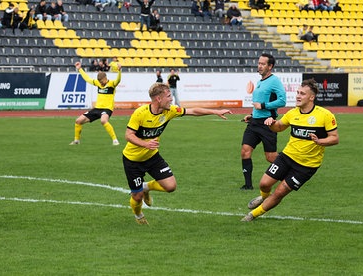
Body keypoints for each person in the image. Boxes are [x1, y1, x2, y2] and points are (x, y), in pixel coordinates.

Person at [124, 82, 232, 224]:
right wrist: (145, 143)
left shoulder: (170, 111)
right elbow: (128, 135)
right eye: (168, 96)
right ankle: (138, 215)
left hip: (152, 157)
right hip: (132, 160)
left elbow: (193, 111)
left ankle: (146, 187)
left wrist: (215, 112)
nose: (171, 99)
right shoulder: (140, 113)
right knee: (136, 197)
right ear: (158, 99)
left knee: (170, 186)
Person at [242, 78, 339, 222]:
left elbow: (334, 138)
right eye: (298, 92)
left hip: (306, 166)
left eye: (302, 94)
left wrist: (320, 141)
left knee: (279, 192)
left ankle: (252, 215)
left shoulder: (325, 115)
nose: (298, 96)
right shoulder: (292, 113)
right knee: (264, 183)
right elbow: (279, 127)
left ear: (311, 97)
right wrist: (271, 124)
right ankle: (263, 197)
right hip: (287, 157)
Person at [239, 53, 286, 190]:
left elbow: (282, 100)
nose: (259, 66)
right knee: (245, 151)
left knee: (271, 157)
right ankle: (248, 185)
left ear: (270, 66)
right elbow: (257, 106)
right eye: (259, 63)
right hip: (254, 123)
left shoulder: (275, 81)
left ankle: (289, 168)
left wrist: (264, 106)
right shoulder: (260, 82)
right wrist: (251, 115)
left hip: (267, 124)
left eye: (262, 64)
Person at [69, 61, 122, 146]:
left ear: (105, 78)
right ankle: (76, 141)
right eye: (99, 82)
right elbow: (87, 79)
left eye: (101, 81)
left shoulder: (112, 84)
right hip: (97, 108)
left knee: (103, 120)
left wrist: (119, 71)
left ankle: (115, 140)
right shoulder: (98, 83)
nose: (100, 83)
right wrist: (80, 69)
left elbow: (118, 80)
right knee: (78, 121)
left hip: (107, 108)